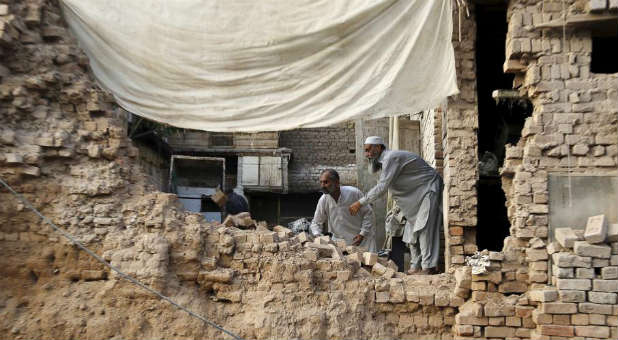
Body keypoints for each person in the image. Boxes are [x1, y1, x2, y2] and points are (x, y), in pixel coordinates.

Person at [349, 136, 443, 275]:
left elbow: (382, 187)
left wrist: (360, 202)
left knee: (424, 229)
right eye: (365, 151)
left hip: (428, 190)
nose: (367, 154)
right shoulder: (384, 163)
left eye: (368, 150)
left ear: (379, 147)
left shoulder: (390, 158)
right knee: (411, 231)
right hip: (415, 197)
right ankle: (415, 266)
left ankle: (428, 267)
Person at [310, 169, 377, 252]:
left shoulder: (354, 193)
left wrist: (362, 234)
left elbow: (369, 214)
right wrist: (318, 236)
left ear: (337, 183)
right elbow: (316, 222)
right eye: (321, 182)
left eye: (326, 182)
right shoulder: (323, 199)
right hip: (340, 243)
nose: (322, 185)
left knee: (369, 263)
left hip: (362, 240)